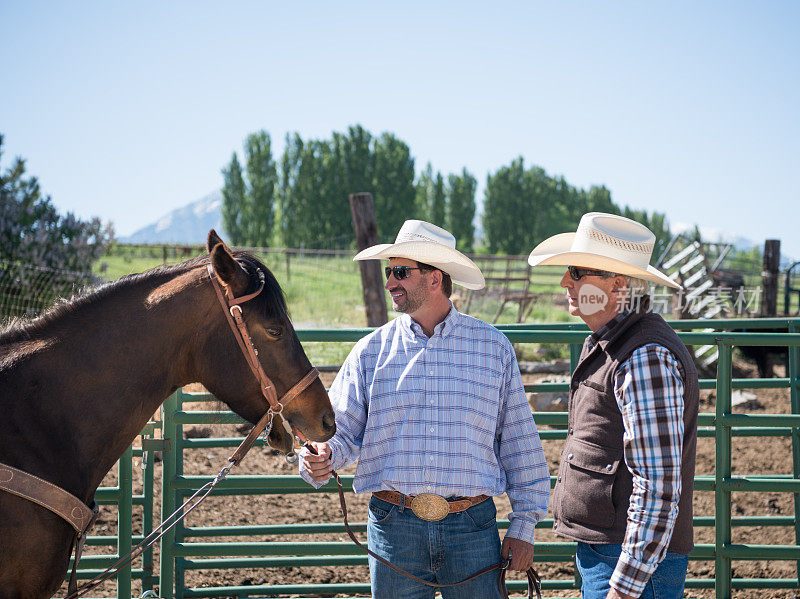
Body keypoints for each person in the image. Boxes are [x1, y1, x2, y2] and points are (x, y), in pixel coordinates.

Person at [300, 219, 550, 599]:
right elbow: (343, 432)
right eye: (388, 272)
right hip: (394, 526)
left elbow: (518, 442)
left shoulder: (493, 348)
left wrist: (524, 526)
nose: (389, 283)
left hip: (471, 524)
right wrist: (323, 455)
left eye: (400, 272)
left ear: (435, 278)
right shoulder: (371, 351)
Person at [527, 212, 699, 599]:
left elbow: (658, 484)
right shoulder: (619, 343)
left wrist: (624, 587)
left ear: (617, 284)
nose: (565, 282)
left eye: (577, 271)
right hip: (614, 552)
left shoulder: (644, 355)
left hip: (628, 564)